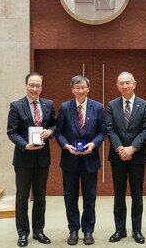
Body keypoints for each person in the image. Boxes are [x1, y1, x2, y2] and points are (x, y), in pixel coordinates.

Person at [55, 75, 106, 246]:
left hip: (90, 160)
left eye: (83, 87)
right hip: (69, 159)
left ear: (88, 88)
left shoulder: (98, 107)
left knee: (90, 198)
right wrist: (66, 145)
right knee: (70, 198)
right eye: (77, 87)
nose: (80, 90)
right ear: (72, 89)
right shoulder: (64, 107)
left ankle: (88, 230)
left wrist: (94, 144)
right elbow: (59, 132)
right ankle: (73, 230)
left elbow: (102, 131)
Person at [7, 72, 56, 247]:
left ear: (41, 87)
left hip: (43, 159)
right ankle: (23, 233)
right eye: (32, 85)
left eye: (38, 86)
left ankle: (39, 231)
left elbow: (55, 124)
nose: (35, 88)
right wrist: (25, 145)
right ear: (26, 85)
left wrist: (50, 131)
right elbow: (11, 131)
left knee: (40, 197)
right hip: (23, 159)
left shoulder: (48, 104)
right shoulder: (16, 106)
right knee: (22, 197)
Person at [106, 72, 146, 244]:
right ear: (117, 86)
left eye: (128, 83)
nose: (125, 86)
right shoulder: (112, 105)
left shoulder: (144, 105)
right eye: (121, 83)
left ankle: (137, 231)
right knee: (119, 194)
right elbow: (109, 129)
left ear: (134, 84)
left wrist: (132, 148)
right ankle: (120, 230)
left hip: (137, 156)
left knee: (137, 194)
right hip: (117, 157)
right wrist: (120, 148)